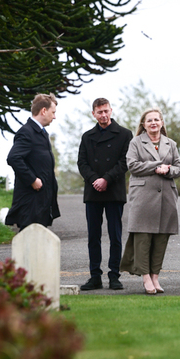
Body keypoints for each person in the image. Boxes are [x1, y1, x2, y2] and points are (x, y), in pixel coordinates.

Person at [119, 108, 180, 295]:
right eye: (150, 120)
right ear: (144, 124)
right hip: (143, 197)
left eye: (157, 120)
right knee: (143, 238)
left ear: (162, 123)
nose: (153, 123)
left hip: (166, 197)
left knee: (161, 238)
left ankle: (155, 277)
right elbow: (132, 165)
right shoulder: (136, 143)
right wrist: (158, 166)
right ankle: (145, 277)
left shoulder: (170, 144)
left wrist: (169, 170)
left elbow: (179, 167)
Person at [77, 97, 133, 290]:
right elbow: (82, 163)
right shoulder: (87, 136)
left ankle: (114, 275)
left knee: (115, 235)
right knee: (93, 236)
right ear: (93, 113)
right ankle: (95, 276)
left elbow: (125, 162)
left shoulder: (125, 134)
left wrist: (106, 179)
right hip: (93, 192)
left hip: (114, 190)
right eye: (99, 112)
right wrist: (94, 179)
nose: (103, 115)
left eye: (106, 111)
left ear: (111, 111)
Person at [5, 94, 60, 230]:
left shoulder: (41, 133)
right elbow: (13, 158)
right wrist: (32, 180)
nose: (54, 117)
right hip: (30, 203)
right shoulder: (26, 132)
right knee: (29, 246)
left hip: (41, 203)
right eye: (53, 112)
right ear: (43, 111)